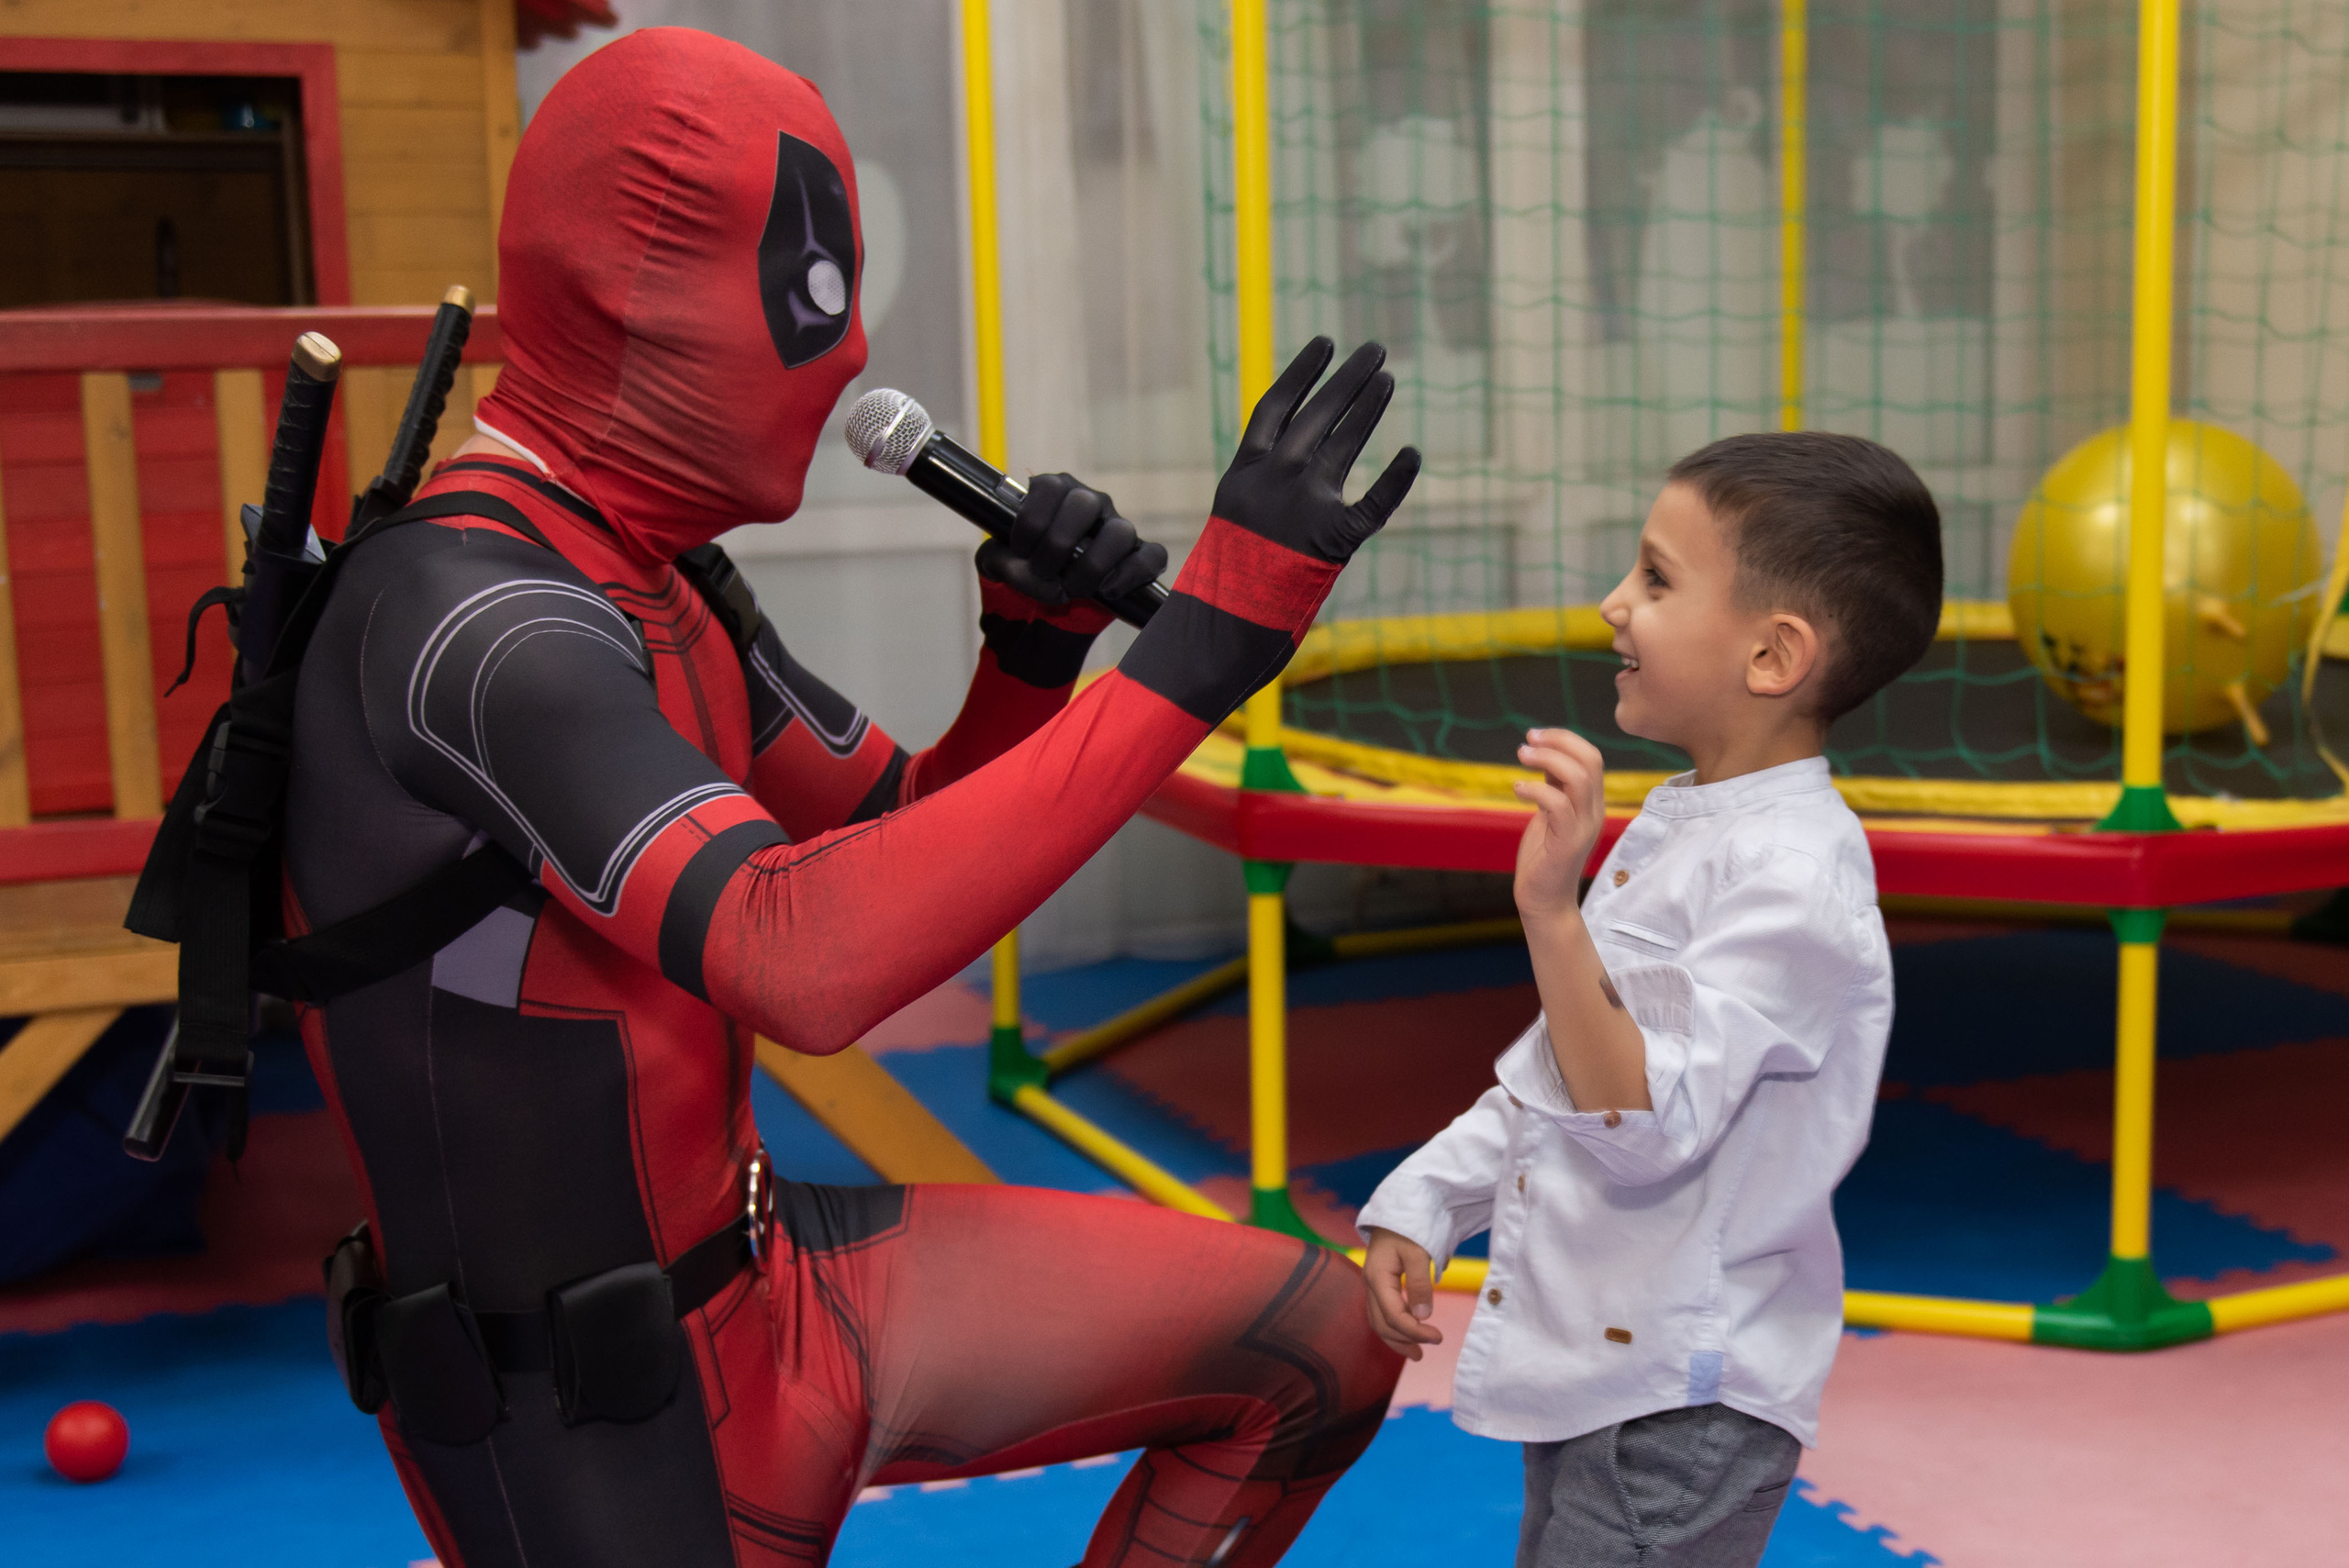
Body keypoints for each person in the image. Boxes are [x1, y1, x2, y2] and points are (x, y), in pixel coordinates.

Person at [284, 28, 1420, 1568]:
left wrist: (1030, 651)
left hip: (781, 1280)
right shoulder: (478, 620)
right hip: (595, 1414)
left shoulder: (654, 576)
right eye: (808, 295)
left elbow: (888, 838)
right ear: (642, 302)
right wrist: (1204, 651)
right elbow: (801, 956)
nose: (843, 354)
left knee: (1322, 1342)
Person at [1355, 432, 1943, 1567]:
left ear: (1772, 656)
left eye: (1658, 578)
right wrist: (1428, 1195)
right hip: (1596, 1356)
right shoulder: (1689, 819)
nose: (1613, 602)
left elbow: (1637, 1120)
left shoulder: (1791, 878)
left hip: (1685, 1394)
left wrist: (1551, 913)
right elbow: (1562, 1071)